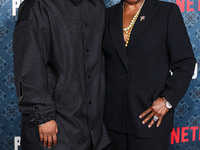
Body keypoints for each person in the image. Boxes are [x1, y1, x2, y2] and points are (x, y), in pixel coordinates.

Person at [13, 0, 110, 149]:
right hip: (55, 126)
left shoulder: (97, 6)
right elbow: (29, 64)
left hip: (92, 130)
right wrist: (43, 117)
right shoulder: (38, 5)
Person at [102, 0, 196, 149]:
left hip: (150, 119)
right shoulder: (107, 14)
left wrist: (167, 100)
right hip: (112, 123)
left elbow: (185, 63)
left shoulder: (166, 11)